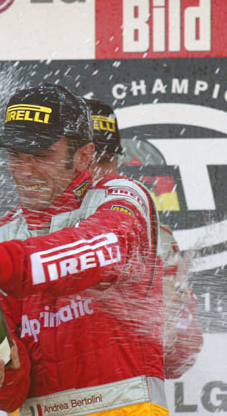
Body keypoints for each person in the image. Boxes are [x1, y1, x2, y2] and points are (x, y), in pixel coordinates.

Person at [0, 84, 168, 416]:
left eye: (42, 155)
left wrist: (0, 265)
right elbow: (8, 394)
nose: (25, 170)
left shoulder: (122, 198)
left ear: (83, 155)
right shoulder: (3, 235)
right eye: (16, 156)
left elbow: (101, 250)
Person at [86, 99, 203, 380]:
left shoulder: (155, 238)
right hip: (46, 415)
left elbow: (182, 357)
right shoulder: (23, 231)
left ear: (118, 162)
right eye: (85, 160)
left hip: (128, 415)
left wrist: (167, 323)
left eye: (106, 160)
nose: (96, 173)